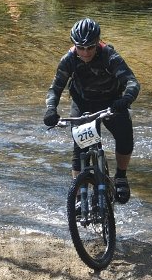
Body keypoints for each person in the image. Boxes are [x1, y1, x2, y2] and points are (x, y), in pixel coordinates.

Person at [43, 18, 140, 204]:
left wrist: (126, 99)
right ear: (75, 45)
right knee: (80, 149)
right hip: (83, 103)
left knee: (125, 134)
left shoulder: (109, 56)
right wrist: (50, 110)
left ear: (97, 43)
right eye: (81, 48)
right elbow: (55, 88)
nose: (85, 52)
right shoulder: (69, 59)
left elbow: (132, 82)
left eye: (90, 47)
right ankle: (79, 196)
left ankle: (121, 176)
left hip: (112, 102)